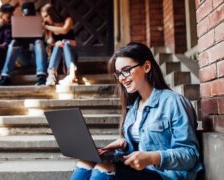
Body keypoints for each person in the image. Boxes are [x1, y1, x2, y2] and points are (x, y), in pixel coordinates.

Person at [71, 42, 203, 180]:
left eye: (126, 69)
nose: (122, 77)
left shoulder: (173, 102)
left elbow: (190, 155)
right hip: (141, 173)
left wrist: (153, 157)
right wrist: (124, 145)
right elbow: (140, 148)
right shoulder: (133, 107)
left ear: (146, 67)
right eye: (119, 73)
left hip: (166, 175)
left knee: (104, 168)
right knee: (85, 162)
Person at [0, 2, 48, 86]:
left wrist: (41, 32)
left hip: (36, 58)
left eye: (30, 16)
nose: (28, 18)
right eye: (26, 15)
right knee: (14, 42)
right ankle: (5, 76)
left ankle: (42, 76)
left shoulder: (41, 24)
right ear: (23, 14)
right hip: (24, 59)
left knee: (39, 41)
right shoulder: (17, 24)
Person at [40, 3, 77, 86]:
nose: (45, 20)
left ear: (52, 13)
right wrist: (55, 43)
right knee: (58, 45)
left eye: (46, 16)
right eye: (43, 18)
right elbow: (50, 43)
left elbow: (64, 30)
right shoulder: (49, 27)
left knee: (66, 43)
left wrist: (46, 27)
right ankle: (51, 75)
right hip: (57, 57)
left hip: (70, 54)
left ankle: (71, 75)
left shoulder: (68, 20)